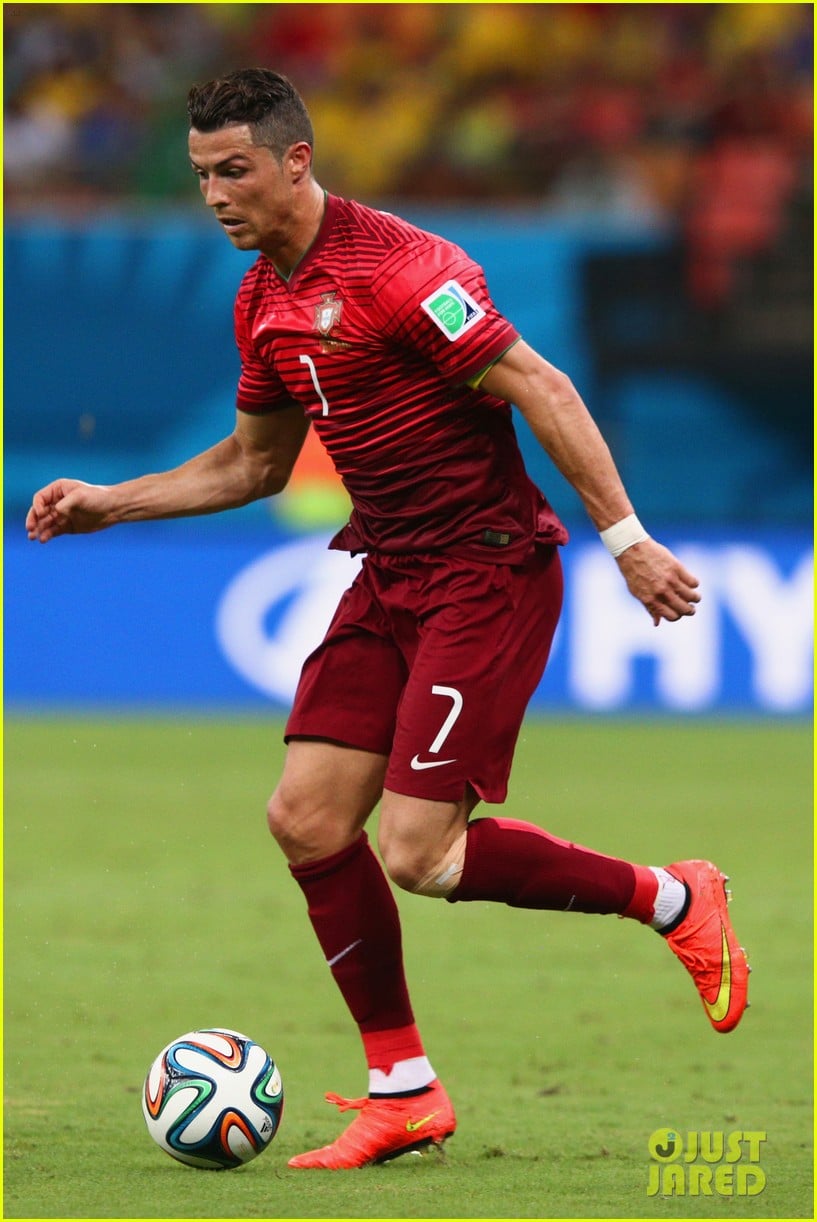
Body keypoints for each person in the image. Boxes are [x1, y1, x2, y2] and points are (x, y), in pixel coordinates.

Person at [27, 68, 749, 1171]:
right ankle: (402, 1087)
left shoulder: (406, 271)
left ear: (294, 162)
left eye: (234, 171)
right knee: (308, 819)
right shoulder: (258, 297)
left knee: (419, 852)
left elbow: (541, 386)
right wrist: (110, 503)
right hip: (387, 570)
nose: (215, 195)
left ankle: (670, 897)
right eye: (200, 176)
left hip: (487, 570)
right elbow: (253, 464)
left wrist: (626, 538)